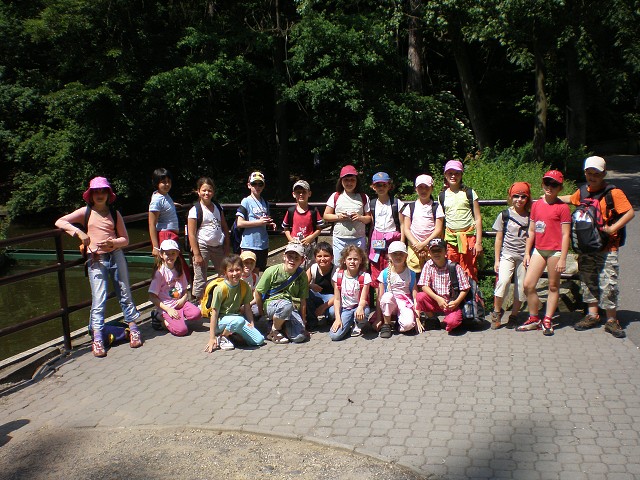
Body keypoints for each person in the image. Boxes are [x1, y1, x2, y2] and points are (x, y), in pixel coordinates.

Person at [55, 176, 143, 357]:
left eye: (103, 191)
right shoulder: (85, 212)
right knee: (99, 297)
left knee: (124, 291)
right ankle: (97, 338)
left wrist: (113, 243)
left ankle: (133, 328)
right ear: (91, 195)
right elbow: (60, 221)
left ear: (109, 194)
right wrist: (79, 233)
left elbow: (125, 239)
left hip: (116, 255)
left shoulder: (114, 213)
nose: (100, 194)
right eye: (96, 191)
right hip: (96, 258)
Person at [561, 156, 635, 338]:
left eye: (596, 174)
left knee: (608, 282)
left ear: (603, 174)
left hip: (607, 246)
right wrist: (549, 198)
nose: (592, 177)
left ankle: (611, 319)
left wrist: (613, 228)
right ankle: (592, 315)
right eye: (589, 173)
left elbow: (629, 212)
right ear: (585, 173)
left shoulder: (613, 193)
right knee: (588, 280)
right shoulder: (582, 191)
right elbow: (570, 199)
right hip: (586, 246)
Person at [517, 170, 571, 336]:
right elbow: (531, 230)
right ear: (542, 184)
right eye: (547, 183)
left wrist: (563, 258)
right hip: (539, 250)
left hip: (555, 251)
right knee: (528, 284)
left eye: (554, 184)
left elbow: (566, 234)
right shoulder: (536, 205)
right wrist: (527, 252)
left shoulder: (563, 208)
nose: (550, 187)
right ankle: (534, 318)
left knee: (553, 286)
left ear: (560, 188)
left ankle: (547, 319)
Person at [489, 182, 531, 329]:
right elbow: (498, 239)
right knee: (503, 281)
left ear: (528, 198)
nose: (519, 200)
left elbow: (531, 236)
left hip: (523, 256)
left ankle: (514, 315)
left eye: (523, 197)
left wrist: (528, 254)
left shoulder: (530, 217)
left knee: (521, 287)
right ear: (511, 197)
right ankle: (496, 312)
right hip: (507, 254)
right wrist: (497, 260)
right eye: (516, 196)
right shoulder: (504, 215)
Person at [203, 255, 265, 352]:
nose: (235, 273)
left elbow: (247, 308)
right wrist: (211, 338)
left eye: (237, 270)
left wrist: (251, 324)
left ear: (242, 270)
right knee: (239, 321)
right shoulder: (220, 289)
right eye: (231, 271)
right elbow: (214, 314)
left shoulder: (244, 286)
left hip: (237, 320)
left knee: (259, 340)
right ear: (225, 272)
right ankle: (222, 337)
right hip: (221, 321)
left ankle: (232, 334)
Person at [255, 242, 309, 344]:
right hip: (272, 304)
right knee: (286, 306)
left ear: (302, 260)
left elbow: (303, 300)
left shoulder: (302, 275)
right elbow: (258, 292)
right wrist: (261, 312)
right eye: (290, 256)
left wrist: (303, 322)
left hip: (291, 307)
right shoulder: (271, 271)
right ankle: (274, 330)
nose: (292, 260)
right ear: (284, 256)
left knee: (300, 337)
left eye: (296, 258)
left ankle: (281, 325)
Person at [187, 177, 230, 301]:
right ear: (198, 191)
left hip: (218, 245)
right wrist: (197, 254)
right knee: (200, 276)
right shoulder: (195, 210)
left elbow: (224, 227)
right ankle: (199, 302)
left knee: (224, 272)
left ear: (213, 192)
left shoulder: (217, 207)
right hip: (202, 246)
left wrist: (227, 246)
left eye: (209, 190)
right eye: (204, 190)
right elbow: (191, 234)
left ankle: (222, 298)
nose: (207, 193)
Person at [439, 160, 483, 280]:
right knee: (451, 268)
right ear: (445, 175)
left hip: (469, 238)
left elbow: (478, 218)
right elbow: (441, 222)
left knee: (470, 268)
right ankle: (454, 291)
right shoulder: (442, 196)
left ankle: (471, 291)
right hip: (451, 239)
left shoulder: (469, 193)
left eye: (457, 173)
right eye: (450, 173)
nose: (453, 176)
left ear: (461, 175)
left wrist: (478, 242)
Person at [415, 238, 470, 333]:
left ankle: (446, 321)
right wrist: (437, 298)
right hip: (435, 300)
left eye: (439, 250)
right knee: (420, 296)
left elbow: (465, 288)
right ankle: (432, 319)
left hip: (451, 302)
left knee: (452, 323)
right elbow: (423, 285)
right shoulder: (428, 265)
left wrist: (457, 302)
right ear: (429, 252)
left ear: (445, 251)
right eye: (433, 251)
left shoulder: (455, 267)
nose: (436, 253)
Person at [148, 239, 201, 336]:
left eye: (173, 253)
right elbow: (152, 296)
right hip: (167, 306)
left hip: (179, 302)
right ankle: (160, 319)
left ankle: (178, 318)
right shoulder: (160, 273)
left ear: (177, 254)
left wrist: (183, 299)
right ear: (161, 255)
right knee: (182, 330)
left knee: (197, 313)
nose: (170, 256)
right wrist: (168, 309)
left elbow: (184, 290)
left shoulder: (179, 268)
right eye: (167, 254)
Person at [323, 164, 372, 266]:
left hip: (358, 239)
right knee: (339, 266)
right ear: (341, 181)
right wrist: (338, 216)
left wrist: (360, 217)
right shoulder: (335, 196)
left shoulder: (363, 197)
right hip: (340, 239)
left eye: (352, 180)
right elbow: (326, 216)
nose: (349, 183)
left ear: (356, 181)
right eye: (346, 180)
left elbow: (369, 218)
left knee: (358, 266)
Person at [377, 241, 420, 339]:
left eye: (401, 254)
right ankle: (387, 324)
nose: (398, 256)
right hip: (389, 303)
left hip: (404, 303)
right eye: (394, 254)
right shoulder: (384, 274)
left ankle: (398, 324)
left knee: (409, 325)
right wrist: (378, 319)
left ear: (406, 256)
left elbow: (415, 297)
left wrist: (417, 317)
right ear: (389, 256)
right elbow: (379, 298)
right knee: (387, 297)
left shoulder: (411, 274)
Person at [404, 174, 445, 274]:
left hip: (432, 247)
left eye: (426, 187)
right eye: (420, 187)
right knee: (414, 273)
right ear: (416, 189)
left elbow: (438, 229)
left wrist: (424, 244)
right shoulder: (410, 207)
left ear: (432, 189)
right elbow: (406, 229)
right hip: (414, 247)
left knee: (433, 272)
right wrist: (416, 244)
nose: (423, 190)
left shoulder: (437, 207)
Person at [236, 171, 275, 274]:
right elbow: (240, 223)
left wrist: (269, 223)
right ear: (249, 185)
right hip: (249, 244)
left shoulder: (265, 203)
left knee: (256, 273)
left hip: (262, 244)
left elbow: (264, 220)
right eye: (254, 184)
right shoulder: (246, 201)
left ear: (263, 186)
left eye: (260, 184)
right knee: (245, 273)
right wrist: (259, 222)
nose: (257, 187)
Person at [330, 245, 371, 341]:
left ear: (360, 260)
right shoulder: (338, 275)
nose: (352, 262)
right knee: (334, 336)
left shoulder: (365, 276)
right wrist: (337, 318)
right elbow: (337, 299)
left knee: (365, 312)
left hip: (357, 306)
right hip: (345, 309)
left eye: (355, 259)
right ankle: (347, 323)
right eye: (349, 259)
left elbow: (363, 299)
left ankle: (358, 324)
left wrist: (360, 308)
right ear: (344, 260)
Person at [282, 179, 324, 268]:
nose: (301, 194)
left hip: (310, 245)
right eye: (298, 192)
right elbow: (286, 228)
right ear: (294, 194)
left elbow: (319, 228)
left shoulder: (313, 211)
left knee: (309, 267)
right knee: (293, 266)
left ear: (309, 193)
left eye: (304, 192)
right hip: (295, 245)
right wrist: (290, 239)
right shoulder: (291, 211)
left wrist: (310, 238)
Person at [305, 242, 336, 329]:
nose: (322, 259)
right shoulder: (312, 268)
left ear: (332, 257)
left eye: (326, 256)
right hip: (316, 296)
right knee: (306, 293)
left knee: (332, 312)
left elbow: (339, 294)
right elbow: (303, 285)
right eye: (319, 256)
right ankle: (312, 320)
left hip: (332, 298)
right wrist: (311, 286)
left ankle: (330, 318)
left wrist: (323, 307)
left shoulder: (336, 271)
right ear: (315, 258)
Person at [239, 250, 260, 318]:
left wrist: (246, 305)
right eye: (246, 263)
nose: (249, 265)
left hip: (248, 302)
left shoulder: (255, 277)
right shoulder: (235, 276)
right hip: (235, 303)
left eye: (251, 263)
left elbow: (256, 297)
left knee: (258, 310)